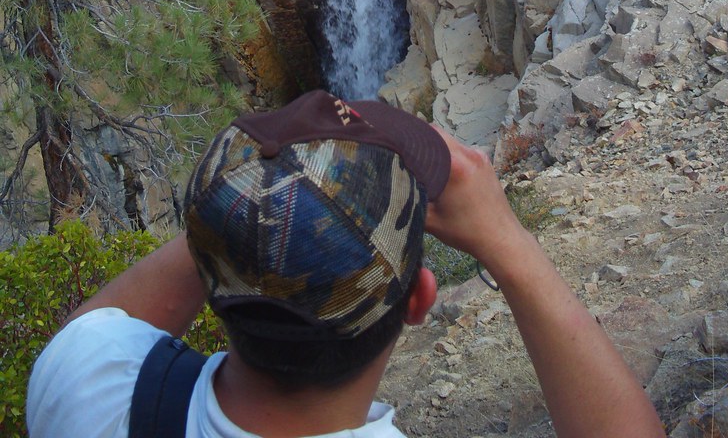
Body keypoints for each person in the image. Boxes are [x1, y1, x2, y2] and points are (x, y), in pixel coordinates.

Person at [27, 89, 665, 438]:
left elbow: (103, 322)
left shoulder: (89, 385)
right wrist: (508, 243)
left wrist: (257, 194)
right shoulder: (84, 371)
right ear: (420, 297)